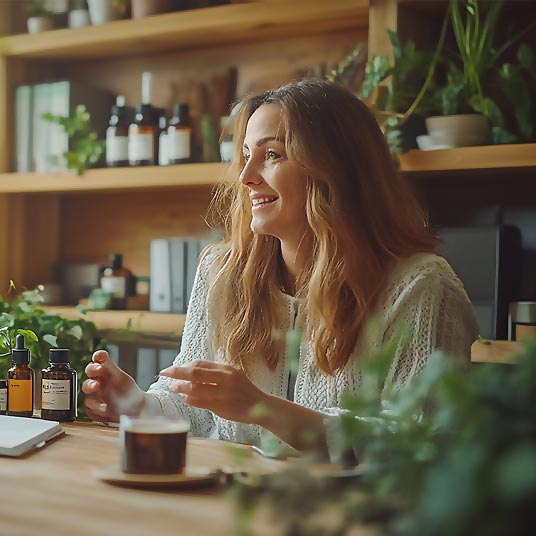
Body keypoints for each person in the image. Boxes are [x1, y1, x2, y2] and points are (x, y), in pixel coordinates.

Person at [82, 79, 478, 455]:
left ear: (336, 170)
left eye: (272, 154)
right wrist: (136, 404)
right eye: (246, 156)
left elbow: (419, 443)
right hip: (232, 505)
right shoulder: (220, 271)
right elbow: (196, 410)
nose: (246, 176)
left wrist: (264, 409)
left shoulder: (422, 286)